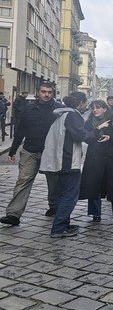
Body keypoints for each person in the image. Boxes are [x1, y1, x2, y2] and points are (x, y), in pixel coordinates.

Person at [0, 82, 63, 226]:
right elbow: (20, 131)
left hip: (51, 152)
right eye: (43, 91)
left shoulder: (59, 110)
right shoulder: (28, 109)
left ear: (52, 93)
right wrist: (13, 150)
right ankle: (13, 214)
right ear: (38, 92)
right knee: (23, 181)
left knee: (54, 182)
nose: (46, 94)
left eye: (49, 92)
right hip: (30, 150)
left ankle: (54, 206)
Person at [40, 92, 96, 238]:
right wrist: (94, 134)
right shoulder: (73, 115)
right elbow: (79, 134)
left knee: (61, 193)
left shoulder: (62, 115)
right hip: (68, 161)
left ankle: (63, 223)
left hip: (60, 160)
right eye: (85, 103)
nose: (85, 106)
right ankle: (58, 228)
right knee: (70, 195)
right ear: (80, 103)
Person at [79, 100, 113, 222]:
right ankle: (95, 213)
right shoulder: (88, 123)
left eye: (98, 107)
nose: (95, 110)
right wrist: (98, 128)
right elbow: (87, 139)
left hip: (111, 157)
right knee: (94, 185)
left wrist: (111, 138)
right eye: (93, 108)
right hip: (94, 158)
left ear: (105, 109)